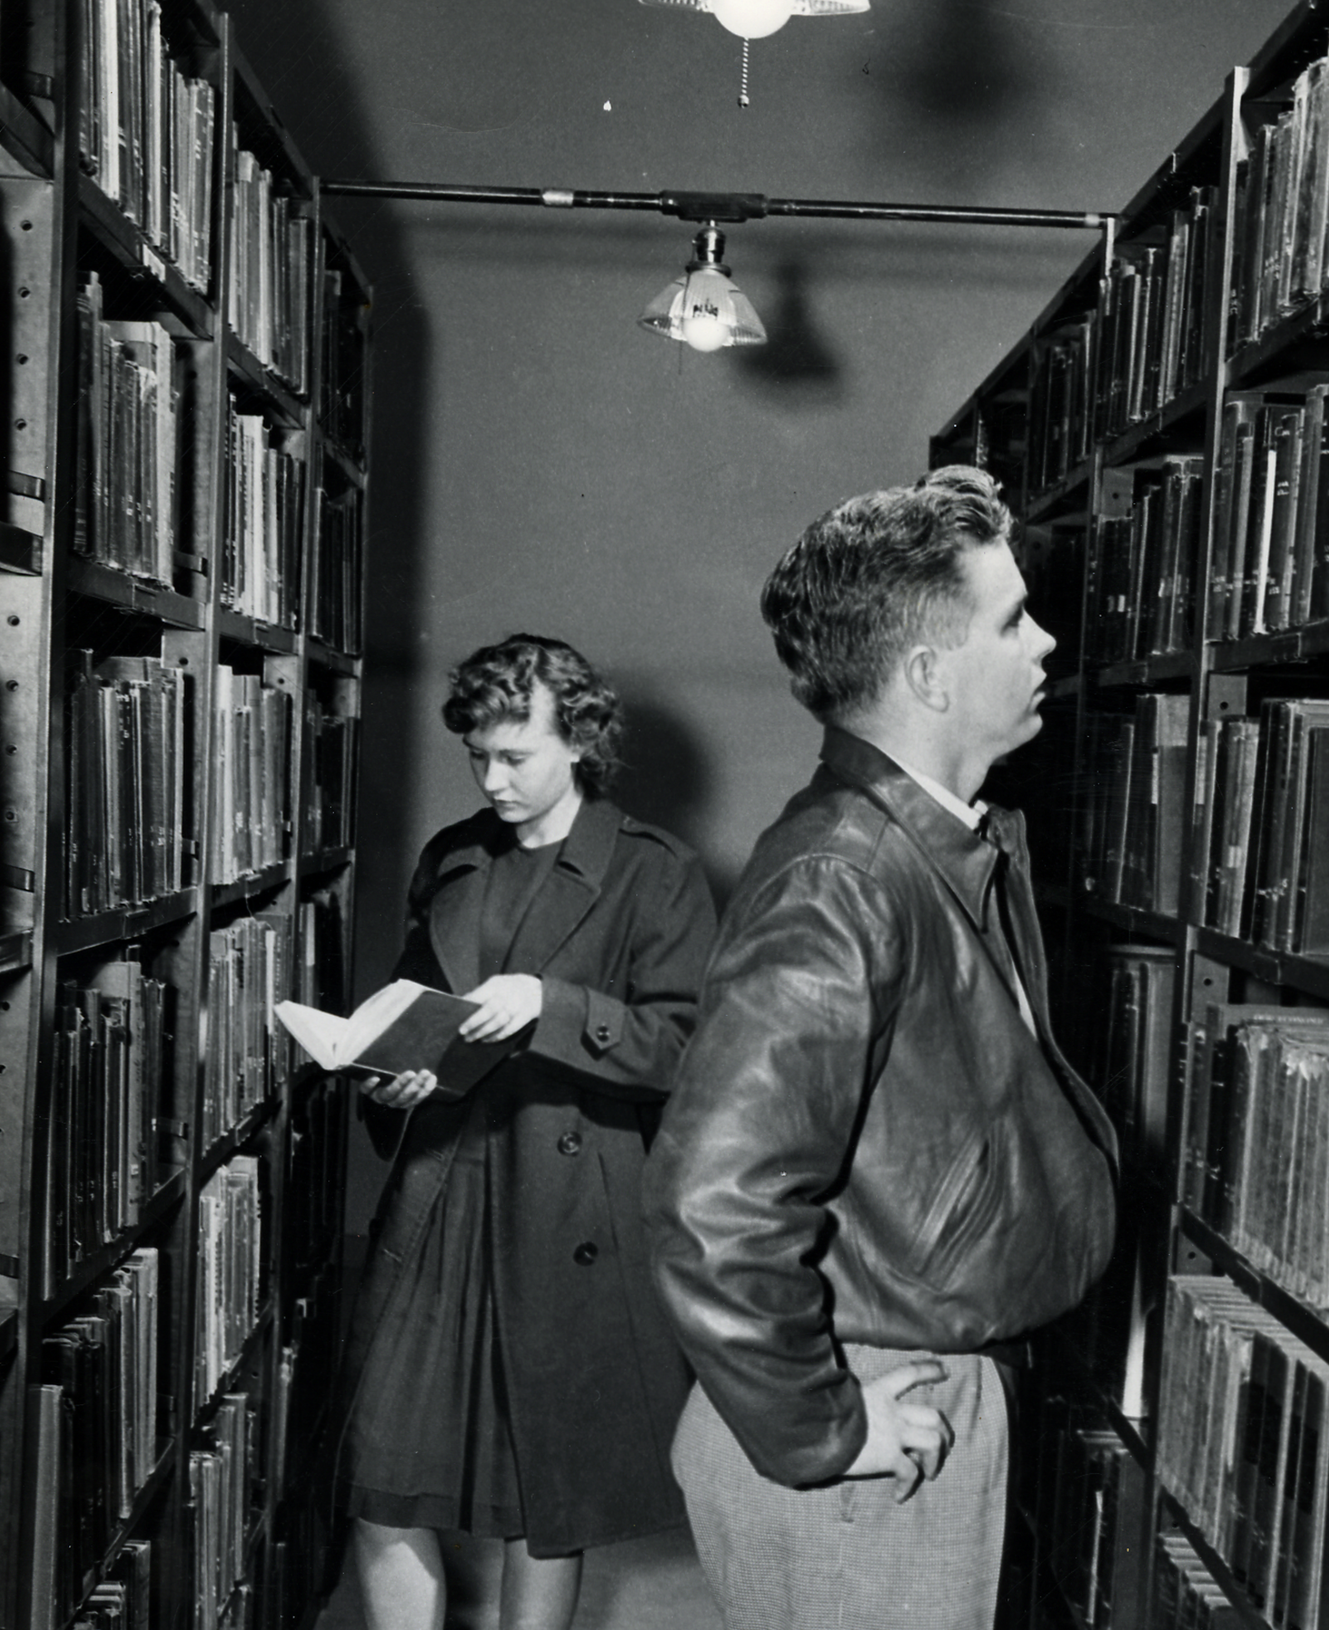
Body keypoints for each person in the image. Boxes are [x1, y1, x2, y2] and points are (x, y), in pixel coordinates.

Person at [644, 466, 1120, 1630]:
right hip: (872, 1416)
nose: (1046, 640)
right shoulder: (844, 875)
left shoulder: (925, 848)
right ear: (926, 672)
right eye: (1011, 619)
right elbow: (711, 1202)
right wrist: (827, 1426)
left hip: (905, 1383)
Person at [341, 633, 717, 1630]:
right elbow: (409, 1003)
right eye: (479, 756)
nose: (493, 780)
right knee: (379, 1481)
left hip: (564, 1209)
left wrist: (550, 1005)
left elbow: (687, 1049)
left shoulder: (656, 874)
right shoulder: (453, 857)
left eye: (517, 756)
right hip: (439, 1194)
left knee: (536, 1500)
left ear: (581, 742)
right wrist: (392, 1073)